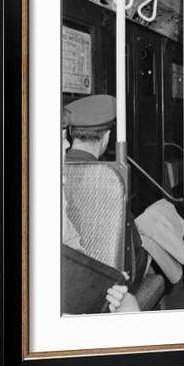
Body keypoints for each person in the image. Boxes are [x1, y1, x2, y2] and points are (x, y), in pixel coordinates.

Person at [65, 94, 148, 291]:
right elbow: (133, 246)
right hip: (111, 276)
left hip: (70, 271)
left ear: (70, 134)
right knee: (157, 224)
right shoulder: (109, 180)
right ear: (107, 137)